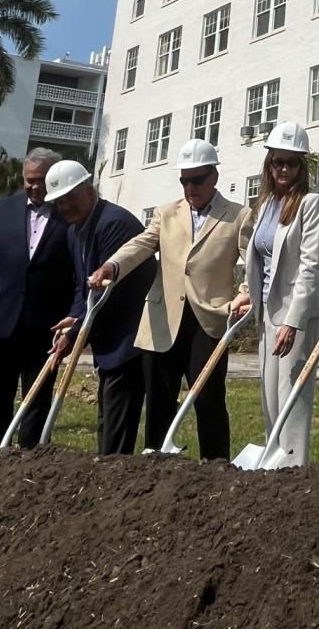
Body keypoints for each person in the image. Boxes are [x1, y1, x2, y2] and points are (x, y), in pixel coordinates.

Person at [89, 139, 253, 459]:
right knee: (159, 398)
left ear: (214, 176)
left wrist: (244, 296)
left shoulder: (238, 216)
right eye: (184, 181)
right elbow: (141, 245)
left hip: (209, 318)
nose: (190, 187)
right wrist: (113, 265)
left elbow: (253, 263)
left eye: (197, 180)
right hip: (163, 318)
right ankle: (156, 458)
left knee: (207, 398)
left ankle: (215, 463)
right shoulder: (167, 213)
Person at [230, 122, 319, 466]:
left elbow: (309, 266)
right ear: (269, 165)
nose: (283, 168)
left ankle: (294, 469)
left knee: (292, 396)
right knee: (270, 396)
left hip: (296, 315)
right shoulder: (267, 203)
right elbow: (258, 258)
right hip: (267, 312)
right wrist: (248, 294)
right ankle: (274, 465)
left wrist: (293, 321)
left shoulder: (310, 203)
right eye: (277, 161)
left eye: (291, 162)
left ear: (302, 166)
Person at [46, 161, 154, 453]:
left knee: (117, 421)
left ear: (88, 189)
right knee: (108, 417)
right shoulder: (75, 230)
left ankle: (115, 475)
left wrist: (75, 335)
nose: (64, 206)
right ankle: (106, 469)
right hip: (109, 338)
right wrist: (73, 316)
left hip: (129, 337)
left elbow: (109, 296)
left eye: (69, 197)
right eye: (58, 201)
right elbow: (84, 287)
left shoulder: (113, 223)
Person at [0, 147, 75, 447]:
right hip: (1, 320)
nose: (33, 186)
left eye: (40, 180)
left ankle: (29, 454)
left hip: (45, 326)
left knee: (37, 395)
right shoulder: (5, 209)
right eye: (29, 180)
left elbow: (76, 275)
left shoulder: (69, 217)